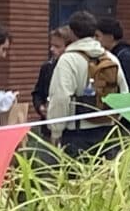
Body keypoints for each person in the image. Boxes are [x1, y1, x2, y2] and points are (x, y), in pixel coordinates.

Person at [47, 10, 125, 157]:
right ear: (94, 31)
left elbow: (61, 98)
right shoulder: (111, 58)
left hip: (76, 133)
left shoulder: (68, 60)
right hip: (107, 132)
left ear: (71, 32)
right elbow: (124, 94)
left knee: (74, 179)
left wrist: (56, 131)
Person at [95, 14, 130, 95]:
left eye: (97, 36)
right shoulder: (113, 54)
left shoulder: (125, 58)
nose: (95, 40)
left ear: (110, 37)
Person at [30, 25, 70, 123]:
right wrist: (40, 107)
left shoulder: (73, 68)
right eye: (51, 45)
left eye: (57, 46)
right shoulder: (47, 67)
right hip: (48, 122)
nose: (52, 49)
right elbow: (37, 93)